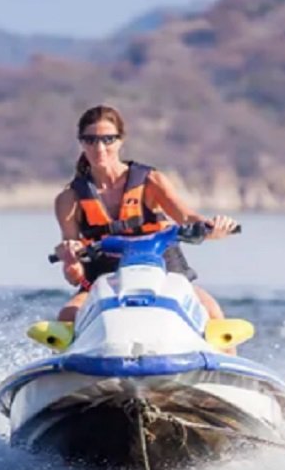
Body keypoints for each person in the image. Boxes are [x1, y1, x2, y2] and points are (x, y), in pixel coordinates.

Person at [53, 104, 238, 324]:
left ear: (121, 140)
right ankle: (67, 358)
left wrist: (213, 227)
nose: (99, 148)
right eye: (90, 140)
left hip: (163, 266)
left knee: (213, 312)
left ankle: (223, 356)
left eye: (108, 139)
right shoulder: (69, 199)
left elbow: (186, 218)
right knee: (67, 316)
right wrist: (70, 260)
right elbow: (74, 277)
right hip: (105, 276)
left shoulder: (150, 180)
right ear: (81, 142)